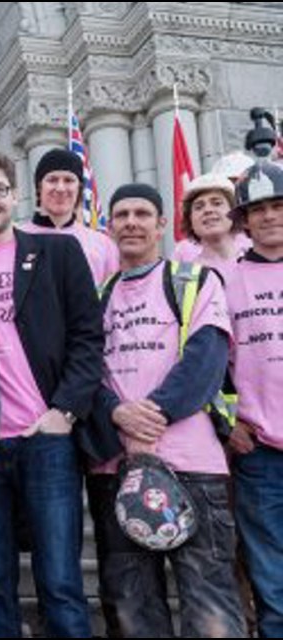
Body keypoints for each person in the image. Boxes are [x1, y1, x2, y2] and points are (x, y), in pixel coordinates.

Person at [0, 151, 105, 638]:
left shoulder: (58, 253)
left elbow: (88, 337)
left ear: (15, 195)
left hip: (46, 438)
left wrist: (65, 411)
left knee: (59, 579)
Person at [87, 183, 244, 638]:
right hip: (116, 466)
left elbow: (206, 359)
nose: (131, 222)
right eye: (121, 215)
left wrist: (148, 417)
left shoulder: (194, 281)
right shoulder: (97, 296)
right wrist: (117, 413)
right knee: (131, 605)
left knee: (209, 598)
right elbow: (84, 371)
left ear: (161, 225)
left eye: (142, 213)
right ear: (109, 226)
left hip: (192, 463)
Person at [225, 159, 283, 638]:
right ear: (243, 220)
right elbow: (210, 364)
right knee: (272, 581)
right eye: (257, 209)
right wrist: (230, 424)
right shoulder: (223, 281)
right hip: (260, 452)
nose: (268, 217)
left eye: (277, 206)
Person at [20, 148, 119, 285]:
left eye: (68, 180)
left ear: (79, 188)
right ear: (39, 187)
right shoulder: (16, 240)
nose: (60, 188)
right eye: (52, 180)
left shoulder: (103, 245)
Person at [171, 173, 250, 278]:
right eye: (199, 207)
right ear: (189, 220)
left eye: (217, 203)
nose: (208, 210)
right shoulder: (184, 274)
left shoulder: (258, 256)